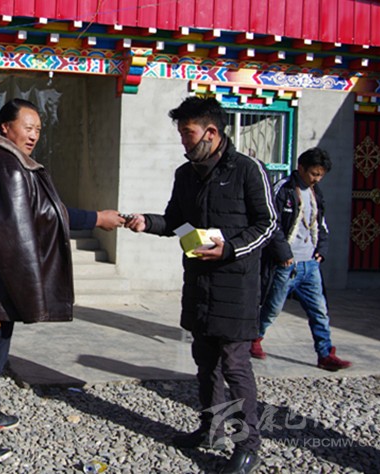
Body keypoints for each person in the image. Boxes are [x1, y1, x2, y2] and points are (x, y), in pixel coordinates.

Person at [0, 98, 123, 465]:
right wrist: (29, 293)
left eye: (38, 129)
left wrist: (95, 218)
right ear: (6, 127)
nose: (34, 135)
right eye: (28, 127)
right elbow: (15, 237)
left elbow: (43, 212)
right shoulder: (4, 166)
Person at [125, 97, 276, 474]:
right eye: (180, 133)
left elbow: (268, 224)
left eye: (187, 133)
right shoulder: (185, 174)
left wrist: (231, 248)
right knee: (205, 362)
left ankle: (248, 446)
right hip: (198, 284)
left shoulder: (248, 170)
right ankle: (211, 429)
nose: (183, 141)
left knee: (235, 364)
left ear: (211, 132)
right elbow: (178, 223)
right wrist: (148, 222)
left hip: (236, 288)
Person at [251, 147, 352, 371]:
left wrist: (321, 250)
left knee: (319, 310)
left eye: (321, 175)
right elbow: (271, 223)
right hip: (286, 264)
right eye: (314, 173)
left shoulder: (316, 193)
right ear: (301, 168)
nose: (317, 179)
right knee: (273, 307)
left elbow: (320, 224)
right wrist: (283, 254)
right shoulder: (283, 189)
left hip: (310, 264)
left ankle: (325, 354)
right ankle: (254, 338)